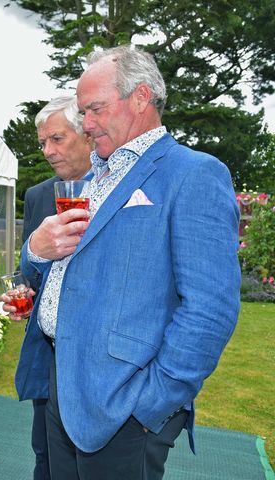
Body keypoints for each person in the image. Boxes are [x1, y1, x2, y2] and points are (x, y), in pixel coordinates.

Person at [15, 45, 241, 480]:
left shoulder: (193, 173)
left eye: (95, 109)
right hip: (65, 385)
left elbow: (211, 308)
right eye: (82, 113)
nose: (87, 124)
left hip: (124, 403)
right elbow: (72, 270)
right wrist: (34, 252)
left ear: (140, 98)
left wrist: (153, 402)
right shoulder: (96, 177)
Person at [3, 95, 92, 480]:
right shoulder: (38, 195)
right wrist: (20, 291)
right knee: (46, 456)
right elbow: (30, 270)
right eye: (42, 143)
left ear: (87, 134)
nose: (47, 151)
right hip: (49, 352)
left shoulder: (115, 188)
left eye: (56, 139)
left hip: (97, 355)